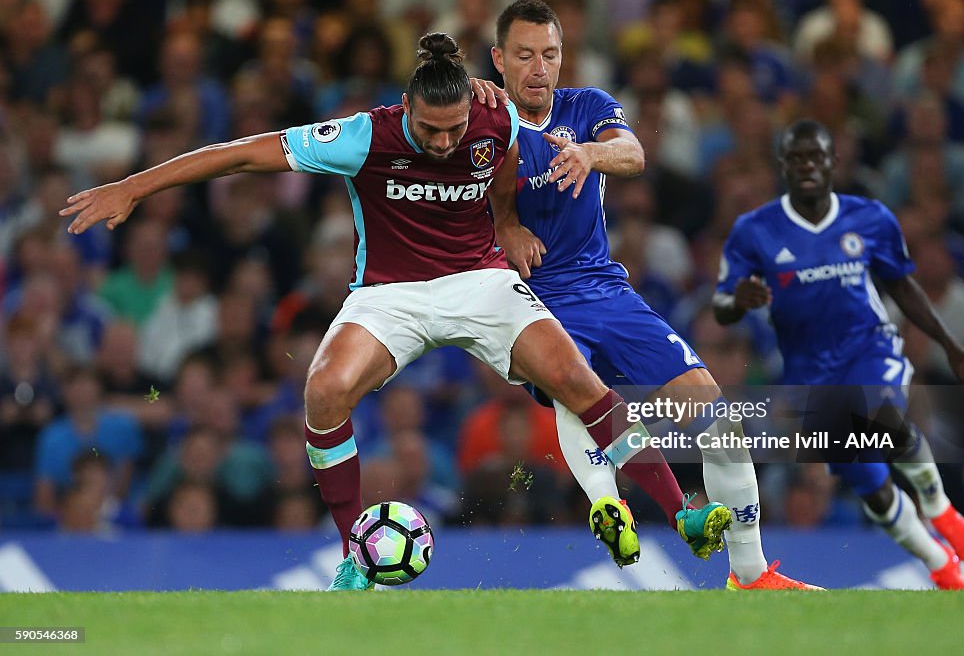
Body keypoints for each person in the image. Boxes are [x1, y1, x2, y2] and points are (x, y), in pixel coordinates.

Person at [59, 32, 721, 591]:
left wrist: (509, 220)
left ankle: (682, 511)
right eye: (431, 130)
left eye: (455, 127)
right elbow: (239, 154)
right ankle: (354, 552)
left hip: (480, 281)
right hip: (391, 291)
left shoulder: (492, 116)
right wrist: (134, 186)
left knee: (582, 383)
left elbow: (509, 159)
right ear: (406, 108)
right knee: (323, 390)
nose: (444, 141)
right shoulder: (360, 136)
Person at [486, 0, 816, 590]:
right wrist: (505, 226)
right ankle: (605, 501)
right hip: (531, 295)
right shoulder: (483, 120)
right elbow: (466, 194)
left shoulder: (584, 107)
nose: (539, 67)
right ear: (499, 60)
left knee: (717, 416)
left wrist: (591, 152)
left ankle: (751, 575)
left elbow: (634, 152)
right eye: (525, 55)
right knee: (576, 389)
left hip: (606, 290)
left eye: (550, 54)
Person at [713, 119, 964, 590]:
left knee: (883, 414)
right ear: (783, 165)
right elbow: (721, 308)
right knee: (873, 489)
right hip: (809, 376)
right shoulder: (753, 231)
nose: (807, 166)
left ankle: (940, 508)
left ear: (833, 163)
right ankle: (939, 563)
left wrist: (953, 347)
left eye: (816, 157)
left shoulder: (871, 218)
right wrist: (738, 301)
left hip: (869, 346)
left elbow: (902, 285)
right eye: (796, 158)